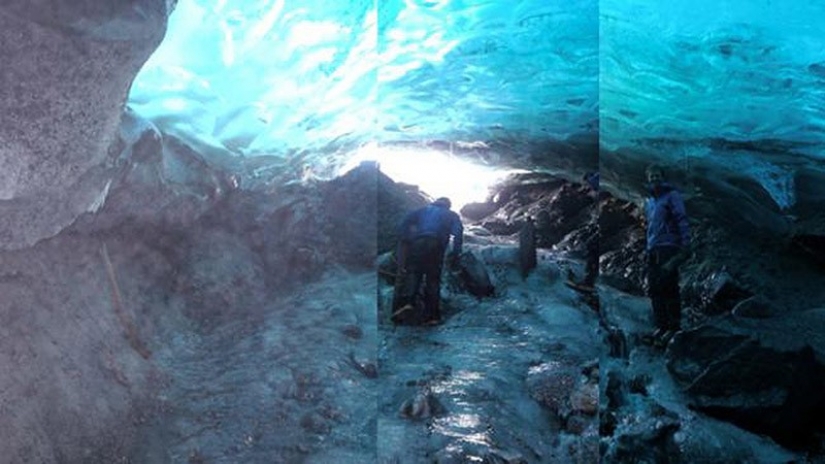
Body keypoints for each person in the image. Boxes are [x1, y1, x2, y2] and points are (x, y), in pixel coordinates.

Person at [393, 197, 464, 326]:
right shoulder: (451, 215)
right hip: (436, 245)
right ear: (448, 205)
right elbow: (458, 233)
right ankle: (432, 316)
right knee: (433, 280)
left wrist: (406, 237)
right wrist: (456, 252)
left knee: (414, 273)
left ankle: (407, 303)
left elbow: (405, 221)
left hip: (418, 242)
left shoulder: (422, 210)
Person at [644, 164, 691, 347]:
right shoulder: (650, 201)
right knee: (654, 288)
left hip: (669, 247)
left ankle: (674, 327)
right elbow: (650, 226)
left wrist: (685, 244)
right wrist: (647, 247)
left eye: (657, 175)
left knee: (669, 287)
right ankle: (661, 326)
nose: (655, 179)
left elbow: (681, 219)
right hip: (653, 248)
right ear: (648, 179)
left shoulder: (672, 196)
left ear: (662, 177)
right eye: (652, 176)